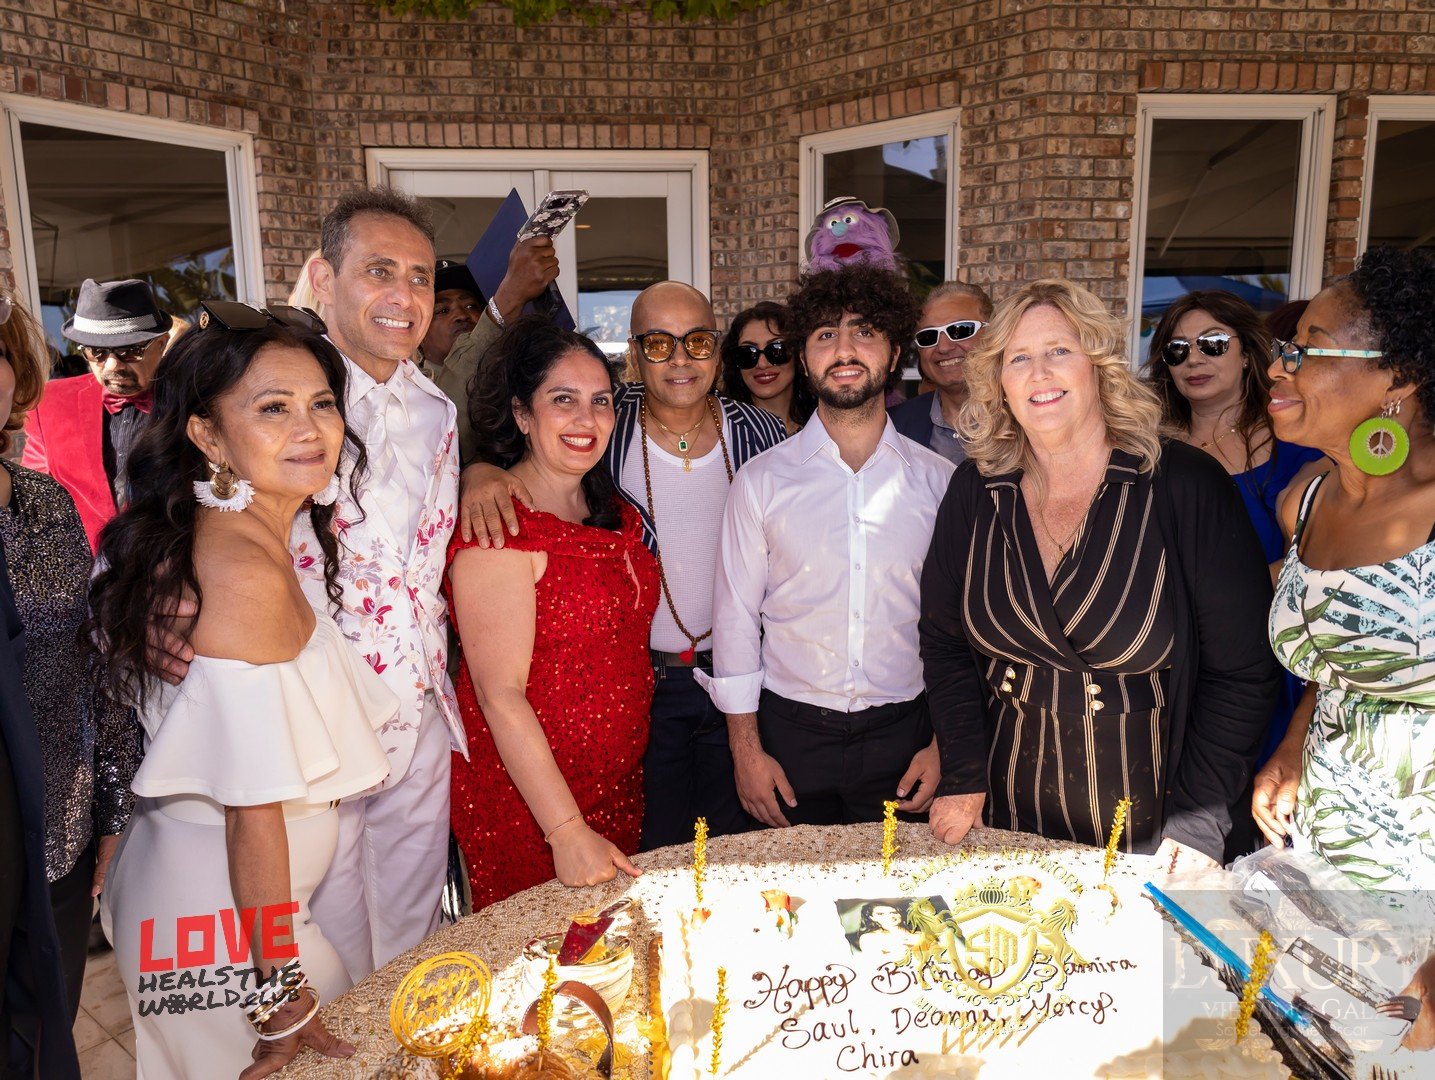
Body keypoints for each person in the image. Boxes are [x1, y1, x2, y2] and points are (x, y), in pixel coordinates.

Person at [150, 187, 463, 983]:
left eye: (421, 277)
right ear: (323, 278)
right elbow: (166, 505)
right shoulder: (272, 384)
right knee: (321, 925)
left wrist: (490, 473)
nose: (404, 296)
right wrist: (154, 591)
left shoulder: (438, 408)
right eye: (379, 271)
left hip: (419, 705)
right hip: (306, 706)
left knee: (415, 927)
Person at [91, 306, 393, 1079]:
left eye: (320, 403)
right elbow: (251, 812)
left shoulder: (240, 535)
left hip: (230, 909)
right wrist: (280, 992)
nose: (309, 428)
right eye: (272, 408)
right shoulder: (238, 568)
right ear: (207, 435)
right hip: (217, 923)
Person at [919, 279, 1278, 870]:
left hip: (1153, 817)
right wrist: (964, 774)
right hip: (1008, 809)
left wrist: (1196, 827)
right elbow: (944, 642)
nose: (1039, 373)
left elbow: (1242, 674)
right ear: (998, 380)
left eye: (1059, 350)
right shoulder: (976, 487)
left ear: (1099, 364)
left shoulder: (1182, 484)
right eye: (1018, 358)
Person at [460, 281, 786, 851]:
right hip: (644, 689)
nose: (680, 359)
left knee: (738, 856)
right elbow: (530, 451)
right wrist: (479, 473)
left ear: (717, 350)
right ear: (634, 354)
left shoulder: (761, 432)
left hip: (742, 680)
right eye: (658, 344)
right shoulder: (610, 422)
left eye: (697, 342)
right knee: (654, 856)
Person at [701, 264, 952, 828]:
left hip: (907, 740)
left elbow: (961, 626)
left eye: (864, 331)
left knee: (899, 888)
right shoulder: (759, 482)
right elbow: (735, 622)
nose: (844, 350)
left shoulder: (941, 484)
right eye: (825, 334)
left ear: (894, 351)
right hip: (787, 739)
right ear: (804, 355)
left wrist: (944, 744)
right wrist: (746, 752)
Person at [446, 317, 658, 908]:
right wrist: (565, 831)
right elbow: (499, 694)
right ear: (521, 414)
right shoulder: (500, 528)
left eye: (600, 400)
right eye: (563, 400)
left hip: (615, 786)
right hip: (533, 806)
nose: (586, 419)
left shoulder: (609, 507)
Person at [1254, 245, 1435, 892]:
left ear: (1398, 379)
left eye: (1310, 349)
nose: (1278, 367)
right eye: (1288, 348)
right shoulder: (1303, 502)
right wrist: (1293, 745)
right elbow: (1344, 657)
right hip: (1324, 854)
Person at [0, 291, 140, 1024]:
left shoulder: (44, 506)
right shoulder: (56, 439)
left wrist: (112, 806)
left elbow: (88, 666)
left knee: (45, 1039)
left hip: (60, 833)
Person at [1145, 290, 1327, 779]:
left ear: (1247, 353)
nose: (1194, 359)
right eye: (1178, 349)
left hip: (1271, 655)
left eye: (1212, 343)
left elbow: (1324, 561)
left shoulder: (1301, 448)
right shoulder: (1146, 453)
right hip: (1175, 662)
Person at [21, 278, 172, 551]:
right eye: (97, 353)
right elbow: (34, 499)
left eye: (130, 351)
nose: (112, 365)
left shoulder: (193, 401)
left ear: (161, 344)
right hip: (85, 569)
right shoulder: (50, 403)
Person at [432, 237, 561, 465]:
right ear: (419, 334)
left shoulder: (519, 377)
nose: (461, 315)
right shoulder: (410, 390)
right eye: (442, 310)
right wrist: (510, 297)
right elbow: (451, 400)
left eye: (471, 306)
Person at [889, 280, 993, 465]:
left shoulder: (1027, 418)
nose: (944, 347)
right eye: (928, 336)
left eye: (960, 330)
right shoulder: (893, 426)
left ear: (993, 334)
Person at [718, 301, 814, 435]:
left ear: (799, 356)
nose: (762, 364)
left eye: (776, 350)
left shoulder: (823, 426)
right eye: (748, 353)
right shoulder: (721, 430)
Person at [851, 901, 922, 961]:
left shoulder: (919, 933)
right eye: (881, 914)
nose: (890, 916)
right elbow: (875, 964)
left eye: (893, 912)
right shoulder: (869, 938)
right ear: (872, 917)